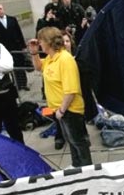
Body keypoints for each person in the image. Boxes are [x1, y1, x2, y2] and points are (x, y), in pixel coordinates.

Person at [28, 27, 92, 167]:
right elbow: (39, 67)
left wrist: (61, 111)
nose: (40, 44)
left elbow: (71, 90)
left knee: (78, 142)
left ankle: (87, 169)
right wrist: (34, 52)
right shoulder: (51, 58)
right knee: (71, 140)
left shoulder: (65, 59)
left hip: (69, 110)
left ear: (49, 42)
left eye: (41, 41)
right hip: (59, 110)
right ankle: (77, 165)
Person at [0, 3, 29, 91]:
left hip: (16, 46)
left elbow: (19, 32)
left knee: (19, 66)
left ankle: (23, 84)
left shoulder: (12, 19)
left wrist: (23, 45)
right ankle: (15, 84)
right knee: (10, 67)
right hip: (4, 48)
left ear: (3, 9)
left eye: (0, 8)